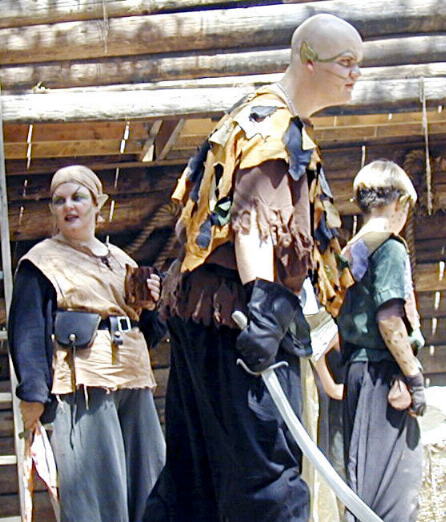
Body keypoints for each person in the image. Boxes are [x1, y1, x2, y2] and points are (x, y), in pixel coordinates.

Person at [145, 13, 363, 522]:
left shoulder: (254, 113)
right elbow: (252, 224)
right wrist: (265, 313)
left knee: (195, 479)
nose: (356, 74)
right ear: (308, 60)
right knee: (264, 481)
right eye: (346, 62)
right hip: (237, 320)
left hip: (206, 314)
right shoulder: (274, 128)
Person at [8, 165, 166, 522]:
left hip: (134, 382)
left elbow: (151, 332)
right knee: (96, 495)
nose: (69, 206)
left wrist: (152, 305)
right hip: (84, 386)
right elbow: (28, 330)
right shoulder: (41, 262)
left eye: (78, 197)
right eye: (59, 200)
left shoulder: (122, 261)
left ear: (98, 204)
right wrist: (33, 394)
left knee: (148, 484)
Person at [337, 160, 426, 521]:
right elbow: (389, 319)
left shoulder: (351, 249)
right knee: (392, 493)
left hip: (358, 373)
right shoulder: (389, 248)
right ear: (400, 203)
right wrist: (414, 376)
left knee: (364, 481)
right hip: (381, 374)